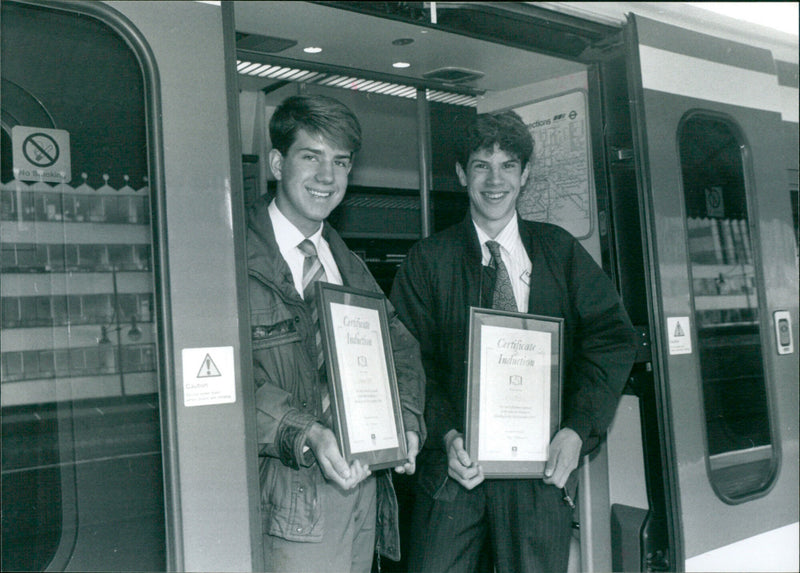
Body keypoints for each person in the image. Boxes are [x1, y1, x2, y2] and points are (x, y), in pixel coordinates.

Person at [390, 110, 637, 572]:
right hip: (454, 473)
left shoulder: (560, 252)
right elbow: (409, 361)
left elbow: (613, 339)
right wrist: (446, 434)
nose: (494, 180)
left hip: (537, 476)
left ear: (525, 175)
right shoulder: (427, 261)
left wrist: (577, 429)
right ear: (462, 174)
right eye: (481, 165)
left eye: (507, 166)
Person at [247, 94, 426, 573]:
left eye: (341, 162)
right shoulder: (232, 259)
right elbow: (224, 384)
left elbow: (400, 349)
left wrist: (407, 420)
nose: (327, 176)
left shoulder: (346, 263)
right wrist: (307, 432)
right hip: (288, 498)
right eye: (312, 157)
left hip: (363, 493)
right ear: (278, 163)